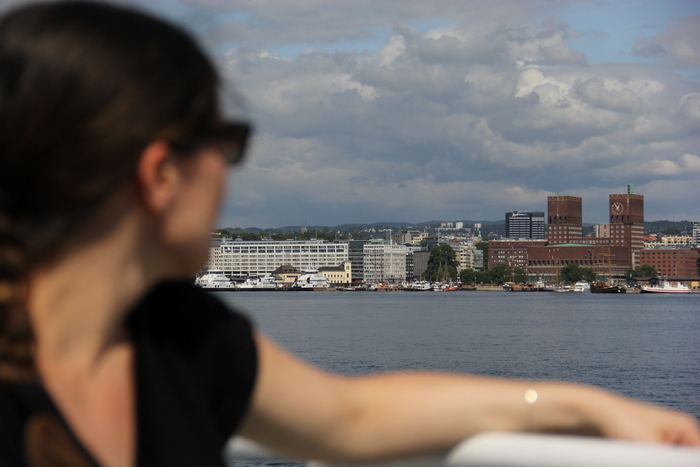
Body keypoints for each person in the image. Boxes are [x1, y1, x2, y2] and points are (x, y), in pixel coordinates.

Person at [0, 2, 698, 467]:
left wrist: (585, 406)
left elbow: (351, 415)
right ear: (159, 175)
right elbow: (350, 418)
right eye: (229, 140)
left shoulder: (182, 335)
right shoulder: (176, 345)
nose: (232, 173)